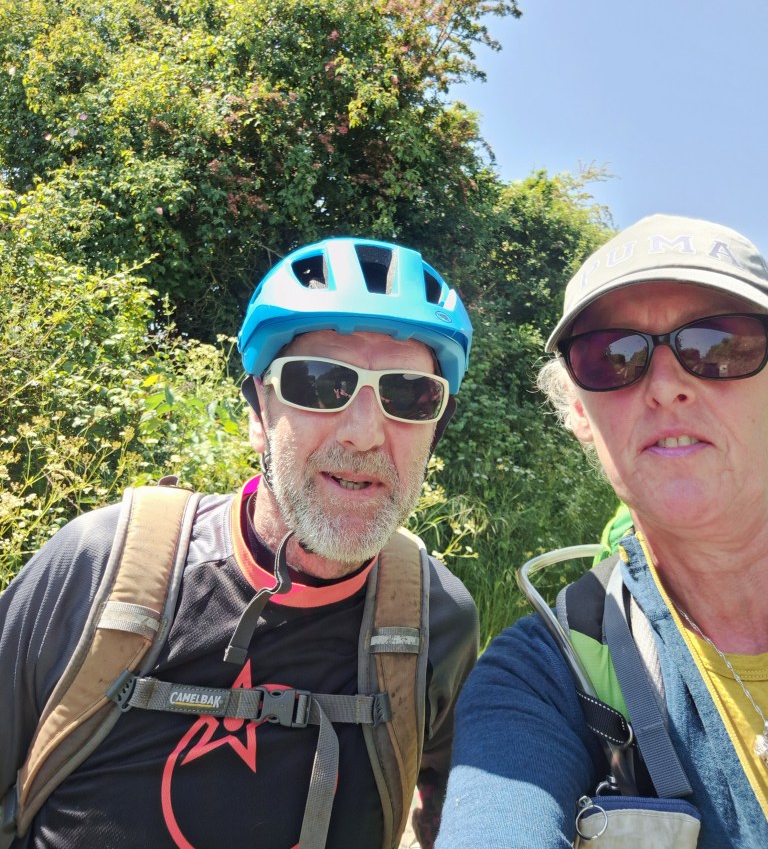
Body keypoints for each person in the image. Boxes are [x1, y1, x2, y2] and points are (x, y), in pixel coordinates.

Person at [0, 237, 479, 849]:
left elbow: (456, 812)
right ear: (258, 412)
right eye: (320, 384)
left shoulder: (438, 620)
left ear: (435, 428)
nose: (363, 434)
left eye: (409, 395)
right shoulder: (95, 563)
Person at [437, 214, 768, 848]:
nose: (665, 387)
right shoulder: (543, 680)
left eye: (720, 345)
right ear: (579, 415)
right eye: (612, 357)